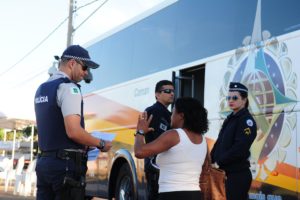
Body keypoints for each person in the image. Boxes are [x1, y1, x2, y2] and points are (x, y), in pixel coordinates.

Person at [34, 45, 112, 200]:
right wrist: (101, 143)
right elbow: (74, 131)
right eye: (84, 67)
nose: (85, 73)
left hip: (44, 163)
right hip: (65, 166)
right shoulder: (69, 88)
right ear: (72, 63)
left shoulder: (41, 89)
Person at [134, 97, 209, 200]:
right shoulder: (202, 139)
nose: (171, 116)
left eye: (173, 113)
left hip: (172, 194)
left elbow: (139, 152)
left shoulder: (174, 135)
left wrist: (140, 132)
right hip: (195, 193)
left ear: (181, 116)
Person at [210, 82, 257, 200]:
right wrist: (210, 159)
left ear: (244, 99)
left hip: (237, 175)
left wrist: (219, 162)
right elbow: (219, 142)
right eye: (228, 97)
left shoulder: (246, 121)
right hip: (224, 173)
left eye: (235, 98)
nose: (231, 100)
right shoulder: (230, 118)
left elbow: (239, 148)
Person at [144, 80, 174, 200]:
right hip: (155, 164)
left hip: (161, 164)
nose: (171, 94)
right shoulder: (154, 111)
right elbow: (157, 139)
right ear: (157, 94)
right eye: (167, 91)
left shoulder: (168, 113)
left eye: (172, 91)